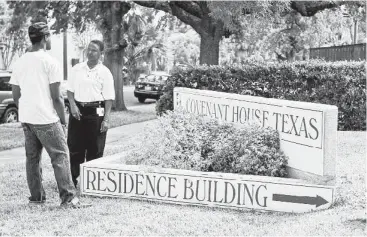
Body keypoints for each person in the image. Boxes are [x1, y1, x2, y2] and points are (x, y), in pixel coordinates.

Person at [9, 22, 90, 208]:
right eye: (50, 35)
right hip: (46, 119)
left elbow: (15, 95)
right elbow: (57, 97)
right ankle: (69, 199)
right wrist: (63, 120)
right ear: (45, 37)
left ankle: (36, 198)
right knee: (60, 156)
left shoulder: (20, 62)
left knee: (32, 159)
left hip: (27, 119)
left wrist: (27, 109)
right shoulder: (50, 62)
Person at [66, 39, 115, 188]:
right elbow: (70, 90)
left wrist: (106, 120)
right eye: (89, 49)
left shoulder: (105, 72)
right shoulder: (77, 69)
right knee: (75, 147)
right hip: (77, 112)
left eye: (94, 50)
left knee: (95, 148)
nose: (90, 52)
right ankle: (74, 181)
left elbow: (108, 99)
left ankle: (93, 183)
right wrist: (73, 106)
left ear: (101, 53)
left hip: (96, 112)